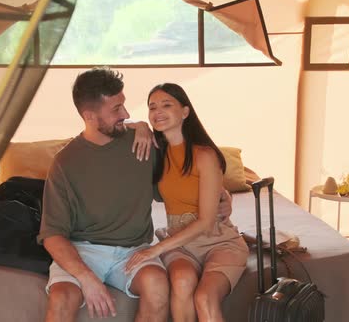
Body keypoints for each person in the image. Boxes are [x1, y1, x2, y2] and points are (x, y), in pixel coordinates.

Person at [38, 67, 233, 322]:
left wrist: (220, 192)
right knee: (62, 298)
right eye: (116, 109)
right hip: (84, 250)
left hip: (134, 249)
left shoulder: (142, 143)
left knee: (157, 286)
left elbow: (181, 178)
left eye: (124, 105)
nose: (127, 114)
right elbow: (52, 235)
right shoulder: (65, 162)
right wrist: (87, 278)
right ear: (90, 116)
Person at [126, 83, 249, 322]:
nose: (158, 112)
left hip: (217, 240)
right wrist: (140, 125)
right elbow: (110, 123)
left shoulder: (205, 155)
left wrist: (156, 249)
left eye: (166, 105)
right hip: (181, 242)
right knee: (181, 282)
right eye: (152, 107)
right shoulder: (155, 151)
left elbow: (205, 221)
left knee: (204, 297)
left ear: (185, 111)